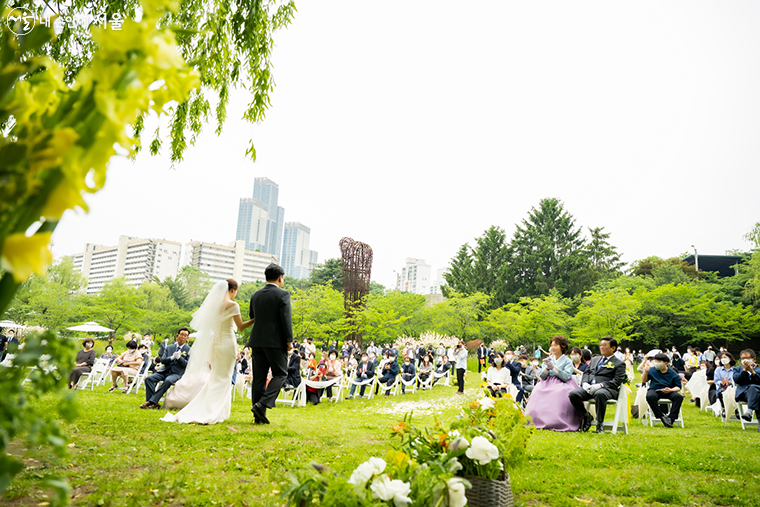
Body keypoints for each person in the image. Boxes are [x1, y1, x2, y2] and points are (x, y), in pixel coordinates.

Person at [160, 279, 254, 423]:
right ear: (232, 290)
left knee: (216, 377)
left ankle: (214, 409)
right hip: (227, 343)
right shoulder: (233, 305)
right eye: (236, 291)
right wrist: (255, 319)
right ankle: (212, 410)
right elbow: (240, 326)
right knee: (224, 377)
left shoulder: (214, 306)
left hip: (215, 345)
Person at [247, 264, 294, 425]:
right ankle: (262, 404)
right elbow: (286, 320)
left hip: (257, 341)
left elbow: (252, 315)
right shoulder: (283, 295)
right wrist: (289, 341)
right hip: (275, 343)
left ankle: (257, 415)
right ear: (280, 278)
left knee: (259, 379)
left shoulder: (255, 295)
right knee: (281, 374)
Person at [568, 336, 626, 434]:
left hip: (607, 389)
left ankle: (600, 423)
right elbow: (586, 372)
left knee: (599, 394)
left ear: (613, 348)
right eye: (601, 345)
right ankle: (586, 416)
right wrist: (585, 383)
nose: (602, 347)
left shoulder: (619, 363)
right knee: (573, 394)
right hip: (589, 387)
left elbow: (616, 381)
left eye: (605, 345)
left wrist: (600, 385)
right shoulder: (595, 359)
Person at [525, 336, 581, 431]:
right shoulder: (548, 359)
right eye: (551, 345)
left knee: (559, 392)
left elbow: (566, 377)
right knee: (537, 390)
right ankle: (535, 419)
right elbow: (541, 377)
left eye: (555, 345)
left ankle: (556, 421)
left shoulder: (568, 361)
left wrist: (554, 368)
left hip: (562, 383)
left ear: (562, 347)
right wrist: (547, 368)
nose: (552, 348)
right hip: (546, 383)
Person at [141, 329, 190, 408]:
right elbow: (163, 360)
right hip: (164, 371)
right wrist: (171, 358)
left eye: (185, 335)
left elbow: (188, 364)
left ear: (187, 338)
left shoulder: (189, 350)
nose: (183, 337)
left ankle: (151, 402)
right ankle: (153, 403)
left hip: (177, 373)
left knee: (168, 380)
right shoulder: (169, 347)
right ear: (177, 336)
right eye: (181, 334)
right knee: (148, 379)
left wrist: (179, 358)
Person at [641, 353, 683, 428]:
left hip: (668, 390)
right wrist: (646, 371)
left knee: (678, 397)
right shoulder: (652, 370)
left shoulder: (673, 373)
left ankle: (671, 418)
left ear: (665, 363)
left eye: (658, 362)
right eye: (655, 361)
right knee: (650, 396)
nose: (656, 364)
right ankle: (661, 417)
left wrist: (671, 390)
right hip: (655, 390)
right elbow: (644, 380)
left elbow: (678, 387)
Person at [734, 349, 760, 426]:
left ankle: (749, 411)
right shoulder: (738, 369)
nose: (744, 360)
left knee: (755, 390)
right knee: (755, 390)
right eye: (742, 358)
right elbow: (737, 380)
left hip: (756, 392)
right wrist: (744, 370)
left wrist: (753, 373)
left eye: (747, 358)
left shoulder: (758, 370)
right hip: (743, 393)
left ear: (753, 359)